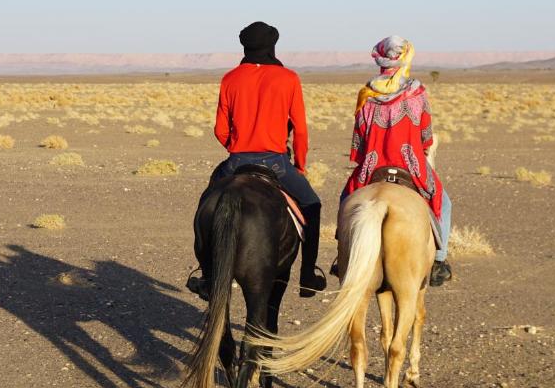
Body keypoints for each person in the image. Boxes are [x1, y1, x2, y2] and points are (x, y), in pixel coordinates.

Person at [194, 21, 327, 297]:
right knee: (312, 205)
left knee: (207, 202)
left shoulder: (230, 78)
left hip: (236, 161)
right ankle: (307, 276)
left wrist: (237, 146)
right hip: (276, 161)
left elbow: (220, 129)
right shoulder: (288, 78)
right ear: (272, 46)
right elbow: (300, 130)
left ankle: (207, 276)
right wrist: (299, 164)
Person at [343, 35, 453, 285]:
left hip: (372, 167)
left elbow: (358, 142)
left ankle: (343, 254)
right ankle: (439, 260)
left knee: (346, 200)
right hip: (410, 166)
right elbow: (426, 137)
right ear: (405, 58)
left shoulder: (366, 94)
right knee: (443, 203)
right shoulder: (417, 92)